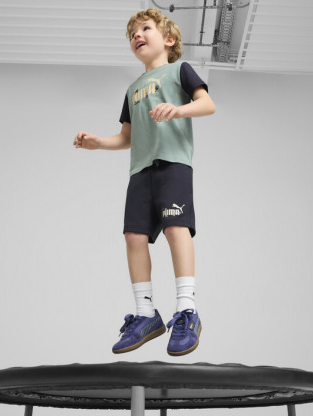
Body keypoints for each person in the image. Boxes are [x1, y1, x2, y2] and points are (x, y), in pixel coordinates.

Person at [73, 8, 215, 356]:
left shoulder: (179, 70)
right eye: (132, 34)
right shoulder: (132, 89)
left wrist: (178, 109)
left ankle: (187, 309)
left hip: (173, 164)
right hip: (140, 171)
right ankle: (146, 314)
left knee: (176, 228)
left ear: (168, 39)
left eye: (145, 28)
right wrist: (98, 143)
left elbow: (207, 104)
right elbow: (127, 137)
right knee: (133, 236)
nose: (137, 35)